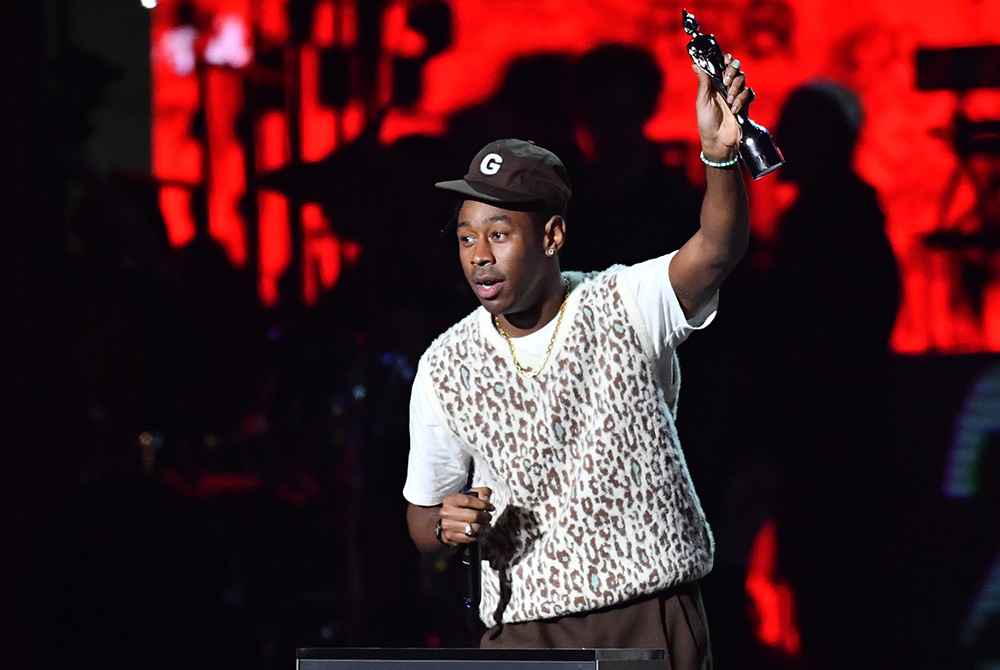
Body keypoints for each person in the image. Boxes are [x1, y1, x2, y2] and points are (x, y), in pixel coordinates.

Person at [402, 54, 751, 669]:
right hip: (522, 633)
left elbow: (717, 251)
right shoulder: (445, 365)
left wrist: (719, 157)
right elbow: (423, 514)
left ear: (552, 237)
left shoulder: (622, 303)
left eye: (499, 234)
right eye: (465, 237)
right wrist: (445, 526)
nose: (479, 255)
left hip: (646, 616)